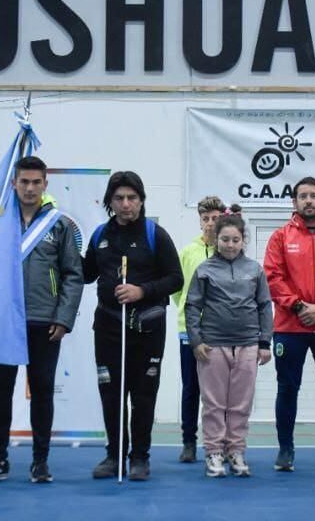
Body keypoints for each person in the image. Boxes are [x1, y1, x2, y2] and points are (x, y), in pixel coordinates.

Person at [0, 156, 84, 484]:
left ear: (45, 184)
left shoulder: (59, 224)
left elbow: (73, 275)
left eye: (37, 182)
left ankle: (40, 461)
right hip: (5, 321)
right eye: (24, 182)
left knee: (42, 391)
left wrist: (63, 318)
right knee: (1, 392)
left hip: (44, 321)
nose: (30, 188)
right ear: (14, 184)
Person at [83, 171, 183, 481]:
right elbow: (86, 274)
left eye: (132, 198)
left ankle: (140, 457)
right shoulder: (100, 235)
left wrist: (142, 291)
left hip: (147, 330)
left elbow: (175, 279)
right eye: (119, 199)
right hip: (109, 328)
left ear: (141, 200)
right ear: (110, 202)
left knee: (142, 396)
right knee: (112, 394)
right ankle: (114, 456)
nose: (126, 204)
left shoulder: (156, 234)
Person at [263, 176, 315, 472]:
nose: (308, 200)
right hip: (290, 326)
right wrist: (299, 306)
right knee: (287, 389)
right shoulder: (280, 237)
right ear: (294, 202)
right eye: (303, 196)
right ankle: (285, 449)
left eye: (313, 195)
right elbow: (273, 277)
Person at [185, 211, 273, 478]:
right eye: (225, 239)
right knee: (213, 403)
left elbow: (264, 306)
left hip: (247, 345)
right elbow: (192, 306)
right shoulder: (204, 270)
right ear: (215, 240)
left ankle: (236, 450)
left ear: (243, 240)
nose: (230, 244)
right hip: (212, 346)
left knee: (240, 403)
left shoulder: (254, 270)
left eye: (235, 239)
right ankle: (213, 452)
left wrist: (264, 342)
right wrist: (196, 341)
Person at [171, 195, 227, 463]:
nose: (210, 224)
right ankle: (189, 442)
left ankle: (221, 442)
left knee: (220, 392)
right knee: (191, 388)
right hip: (190, 332)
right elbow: (178, 292)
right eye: (206, 219)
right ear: (200, 221)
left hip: (222, 332)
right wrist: (189, 316)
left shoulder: (229, 252)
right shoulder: (187, 252)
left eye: (215, 219)